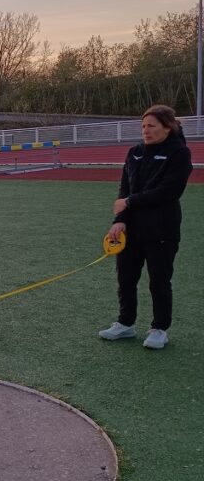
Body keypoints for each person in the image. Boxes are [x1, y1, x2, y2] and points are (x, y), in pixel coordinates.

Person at [99, 105, 192, 350]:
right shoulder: (135, 152)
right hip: (132, 229)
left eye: (151, 126)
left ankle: (160, 329)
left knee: (159, 280)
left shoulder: (179, 153)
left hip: (162, 229)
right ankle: (125, 324)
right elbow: (125, 188)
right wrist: (119, 220)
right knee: (126, 278)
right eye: (143, 126)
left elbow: (168, 191)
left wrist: (129, 202)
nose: (146, 131)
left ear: (167, 127)